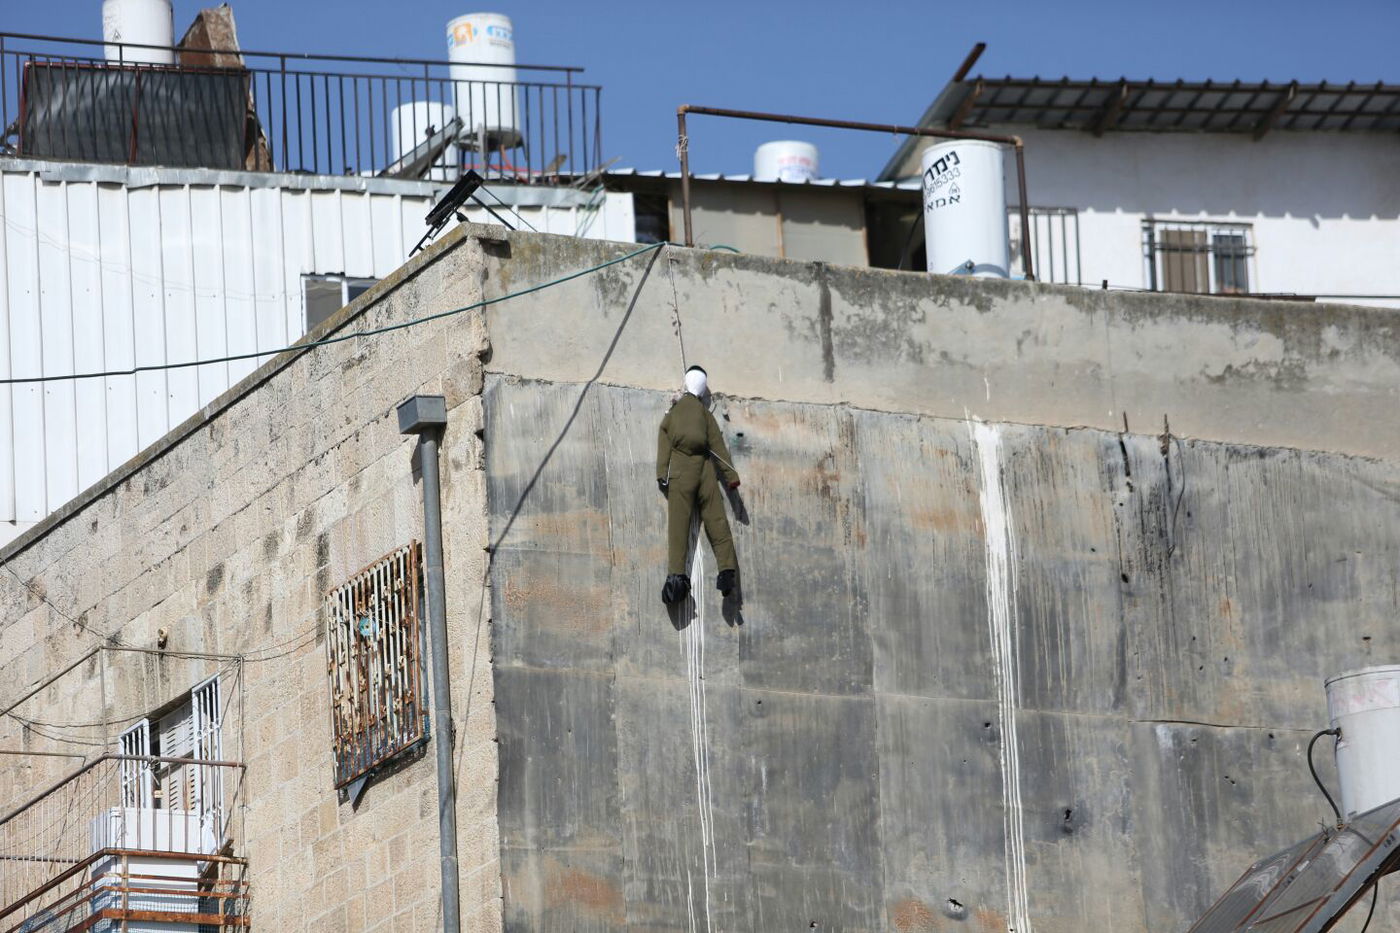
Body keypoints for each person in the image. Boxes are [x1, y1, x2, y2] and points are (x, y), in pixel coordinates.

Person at [655, 365, 740, 604]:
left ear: (685, 384)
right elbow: (719, 449)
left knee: (678, 526)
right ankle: (726, 571)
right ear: (703, 390)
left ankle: (676, 580)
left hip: (681, 470)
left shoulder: (672, 413)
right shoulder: (706, 415)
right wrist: (731, 477)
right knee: (717, 520)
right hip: (704, 470)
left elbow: (663, 441)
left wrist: (662, 473)